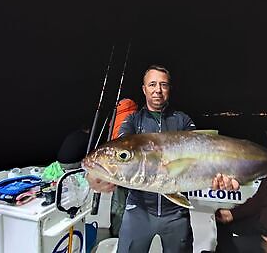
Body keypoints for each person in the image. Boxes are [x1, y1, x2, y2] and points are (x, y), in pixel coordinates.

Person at [87, 64, 239, 253]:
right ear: (144, 89)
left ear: (169, 89)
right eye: (152, 84)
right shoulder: (133, 121)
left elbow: (200, 156)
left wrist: (218, 176)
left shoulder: (182, 121)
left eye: (163, 85)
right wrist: (94, 174)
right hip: (138, 210)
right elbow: (119, 151)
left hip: (175, 212)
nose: (157, 90)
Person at [109, 98, 138, 237]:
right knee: (126, 205)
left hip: (114, 170)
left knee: (118, 205)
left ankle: (115, 234)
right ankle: (122, 235)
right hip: (128, 171)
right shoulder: (133, 119)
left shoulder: (115, 119)